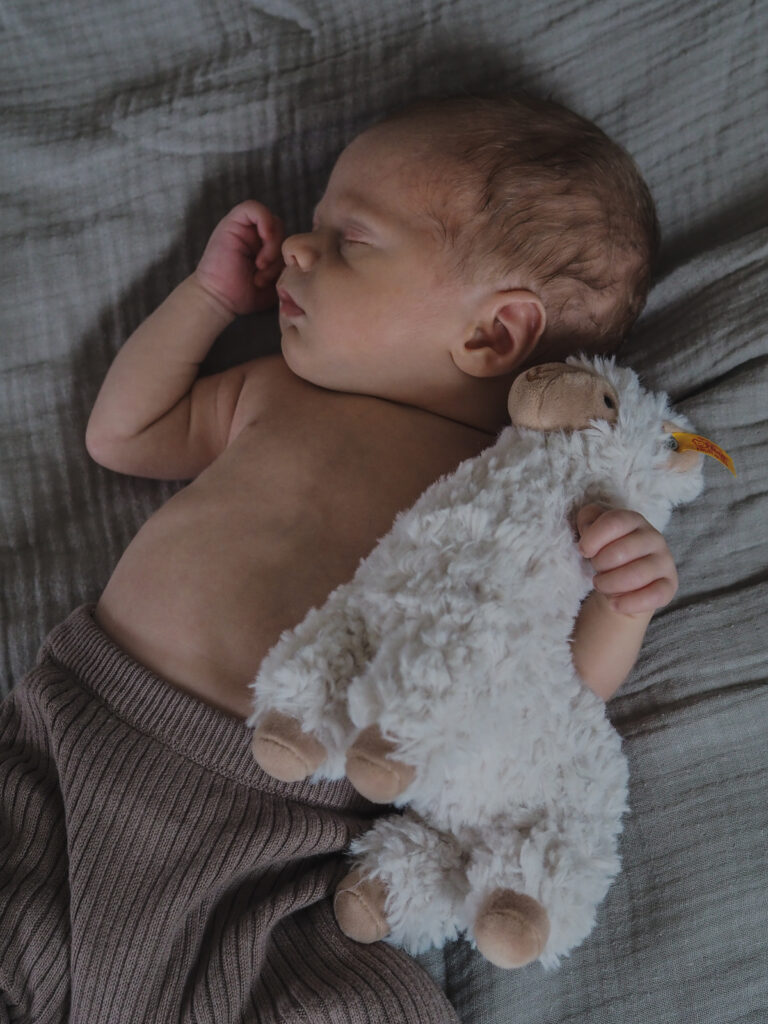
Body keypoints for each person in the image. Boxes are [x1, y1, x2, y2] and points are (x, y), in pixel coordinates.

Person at [1, 93, 676, 1023]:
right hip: (78, 741)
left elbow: (548, 685)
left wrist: (625, 600)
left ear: (492, 334)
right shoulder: (273, 392)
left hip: (287, 836)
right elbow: (128, 436)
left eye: (351, 238)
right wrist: (206, 303)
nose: (299, 251)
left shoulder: (511, 490)